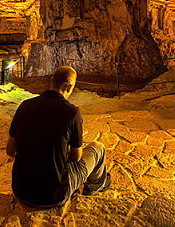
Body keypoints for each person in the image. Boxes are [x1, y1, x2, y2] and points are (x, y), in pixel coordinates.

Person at [6, 65, 111, 207]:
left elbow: (10, 150)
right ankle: (93, 190)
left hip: (21, 191)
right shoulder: (72, 112)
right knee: (98, 148)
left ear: (52, 81)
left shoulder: (25, 106)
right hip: (53, 195)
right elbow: (76, 157)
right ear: (69, 87)